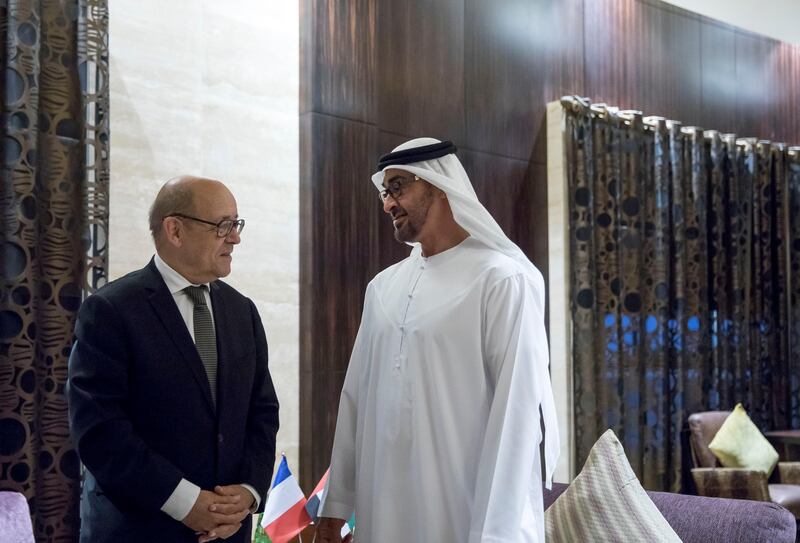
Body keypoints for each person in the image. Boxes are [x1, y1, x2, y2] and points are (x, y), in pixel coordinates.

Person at [314, 138, 559, 542]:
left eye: (398, 188)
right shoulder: (382, 288)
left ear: (438, 184)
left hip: (465, 515)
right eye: (384, 192)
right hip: (382, 512)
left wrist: (497, 532)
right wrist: (335, 507)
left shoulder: (499, 279)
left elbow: (514, 414)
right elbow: (355, 399)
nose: (387, 204)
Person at [67, 176, 280, 543]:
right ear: (175, 230)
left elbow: (261, 413)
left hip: (228, 532)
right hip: (139, 529)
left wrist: (247, 492)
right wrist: (187, 503)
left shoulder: (242, 311)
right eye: (223, 226)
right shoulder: (111, 310)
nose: (235, 238)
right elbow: (100, 431)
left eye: (237, 224)